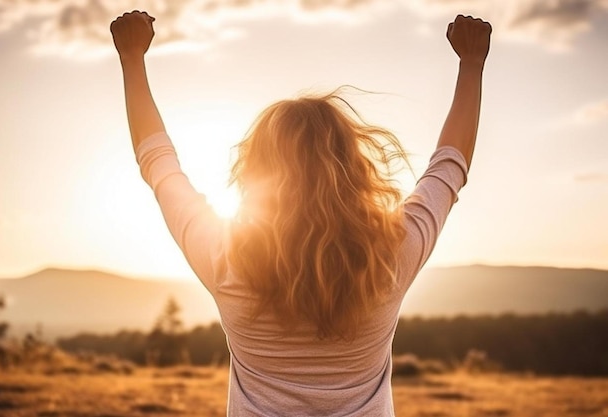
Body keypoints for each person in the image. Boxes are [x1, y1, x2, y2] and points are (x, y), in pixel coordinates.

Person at [111, 11, 491, 416]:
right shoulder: (392, 254)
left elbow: (157, 161)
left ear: (255, 172)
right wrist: (472, 64)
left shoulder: (224, 258)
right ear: (352, 168)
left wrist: (132, 58)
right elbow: (449, 167)